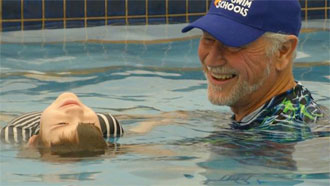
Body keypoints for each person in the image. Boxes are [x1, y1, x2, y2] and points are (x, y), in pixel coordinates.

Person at [181, 0, 324, 130]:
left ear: (282, 51)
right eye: (209, 39)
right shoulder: (291, 105)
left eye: (233, 45)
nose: (212, 60)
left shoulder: (283, 136)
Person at [0, 92, 124, 156]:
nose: (75, 110)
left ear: (33, 141)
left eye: (61, 124)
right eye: (88, 124)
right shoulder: (107, 124)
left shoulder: (14, 133)